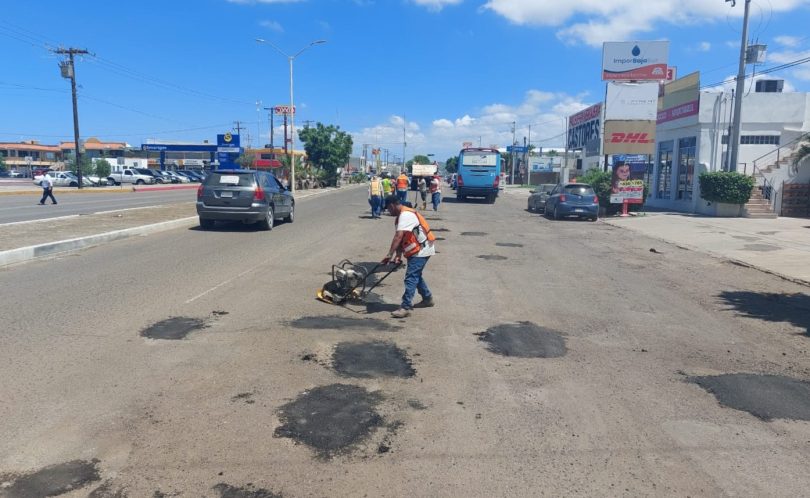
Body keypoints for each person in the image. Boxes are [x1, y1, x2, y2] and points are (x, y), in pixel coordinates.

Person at [382, 195, 436, 318]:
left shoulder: (406, 215)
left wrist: (389, 254)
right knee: (416, 275)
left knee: (411, 277)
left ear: (392, 205)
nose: (389, 212)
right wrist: (398, 256)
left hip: (422, 249)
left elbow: (398, 237)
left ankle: (405, 307)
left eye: (388, 209)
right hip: (417, 250)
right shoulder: (400, 217)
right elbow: (402, 240)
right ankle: (427, 298)